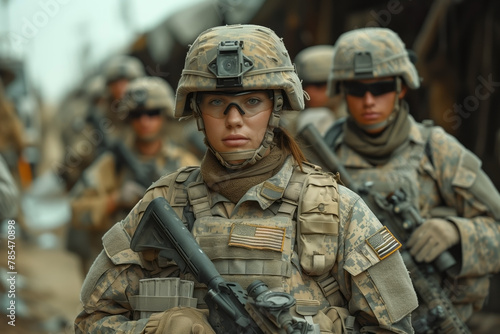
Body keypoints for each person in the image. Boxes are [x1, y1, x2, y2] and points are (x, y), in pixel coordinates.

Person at [74, 24, 417, 334]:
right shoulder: (164, 203)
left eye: (251, 101)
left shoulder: (335, 207)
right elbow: (91, 321)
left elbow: (395, 328)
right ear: (197, 111)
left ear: (275, 106)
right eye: (218, 102)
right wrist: (159, 327)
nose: (234, 119)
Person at [322, 27, 500, 329]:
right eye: (356, 89)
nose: (368, 101)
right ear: (342, 91)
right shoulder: (321, 155)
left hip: (435, 313)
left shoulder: (436, 149)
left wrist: (456, 232)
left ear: (402, 88)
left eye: (380, 89)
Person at [69, 76, 199, 274]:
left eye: (152, 113)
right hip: (119, 268)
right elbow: (77, 210)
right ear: (129, 118)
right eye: (137, 114)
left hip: (170, 269)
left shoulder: (184, 163)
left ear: (163, 115)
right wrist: (115, 200)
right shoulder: (111, 165)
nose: (145, 121)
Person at [292, 45, 346, 136]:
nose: (309, 92)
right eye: (304, 85)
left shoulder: (353, 122)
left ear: (338, 86)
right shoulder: (291, 122)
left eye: (319, 85)